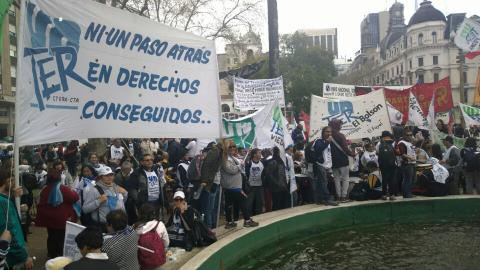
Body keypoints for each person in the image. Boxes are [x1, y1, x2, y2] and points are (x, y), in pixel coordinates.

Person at [36, 171, 80, 258]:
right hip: (61, 220)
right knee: (61, 238)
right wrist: (74, 191)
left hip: (49, 219)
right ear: (60, 178)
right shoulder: (63, 188)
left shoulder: (45, 189)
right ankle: (60, 255)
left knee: (51, 236)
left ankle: (51, 254)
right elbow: (74, 198)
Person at [220, 142, 259, 228]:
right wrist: (239, 166)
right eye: (231, 147)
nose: (233, 148)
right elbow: (231, 170)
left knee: (230, 204)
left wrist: (242, 161)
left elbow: (241, 163)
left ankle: (230, 222)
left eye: (234, 146)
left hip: (235, 185)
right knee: (243, 201)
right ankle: (247, 221)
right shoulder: (224, 159)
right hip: (232, 185)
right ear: (226, 148)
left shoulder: (232, 157)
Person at [0, 170, 33, 270]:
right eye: (11, 180)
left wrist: (14, 199)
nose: (15, 183)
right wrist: (24, 256)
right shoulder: (3, 203)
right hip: (10, 258)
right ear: (4, 182)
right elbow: (10, 232)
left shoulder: (5, 200)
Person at [82, 166, 128, 231]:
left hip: (120, 225)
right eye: (106, 175)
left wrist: (125, 194)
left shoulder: (116, 186)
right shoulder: (94, 190)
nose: (110, 177)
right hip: (104, 227)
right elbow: (85, 209)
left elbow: (122, 203)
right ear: (101, 177)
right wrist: (98, 201)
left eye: (111, 175)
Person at [128, 154, 165, 221]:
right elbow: (132, 189)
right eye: (147, 160)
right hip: (145, 203)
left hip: (156, 202)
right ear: (141, 162)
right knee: (145, 222)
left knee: (156, 221)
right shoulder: (136, 173)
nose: (150, 161)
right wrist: (139, 202)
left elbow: (160, 185)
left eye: (151, 160)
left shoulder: (156, 171)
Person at [328, 119, 356, 202]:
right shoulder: (340, 135)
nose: (341, 126)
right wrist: (353, 154)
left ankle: (338, 197)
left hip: (333, 161)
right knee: (345, 178)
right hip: (343, 160)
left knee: (336, 179)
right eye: (340, 125)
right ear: (336, 126)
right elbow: (345, 148)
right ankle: (344, 197)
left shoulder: (328, 136)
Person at [311, 126, 338, 206]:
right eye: (327, 132)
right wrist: (327, 142)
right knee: (323, 182)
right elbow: (318, 149)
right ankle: (327, 199)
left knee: (321, 183)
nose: (329, 133)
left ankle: (319, 199)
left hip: (327, 165)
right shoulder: (319, 141)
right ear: (323, 132)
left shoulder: (328, 141)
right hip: (320, 164)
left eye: (330, 132)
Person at [262, 146, 290, 211]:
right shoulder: (274, 161)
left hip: (281, 186)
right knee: (277, 204)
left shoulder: (280, 160)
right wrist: (277, 183)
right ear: (278, 151)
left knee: (280, 204)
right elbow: (269, 174)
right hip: (277, 187)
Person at [396, 129, 416, 198]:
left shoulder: (410, 143)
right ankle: (406, 194)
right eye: (408, 135)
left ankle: (409, 192)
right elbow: (402, 154)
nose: (410, 136)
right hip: (407, 163)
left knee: (412, 179)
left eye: (411, 135)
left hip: (412, 163)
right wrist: (410, 158)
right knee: (407, 179)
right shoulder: (402, 143)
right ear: (404, 135)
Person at [377, 131, 397, 201]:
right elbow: (396, 152)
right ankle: (392, 195)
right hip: (391, 164)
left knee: (385, 179)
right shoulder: (392, 143)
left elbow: (377, 153)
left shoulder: (379, 144)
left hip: (383, 164)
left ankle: (384, 195)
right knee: (391, 180)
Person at [245, 148, 265, 216]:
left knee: (258, 204)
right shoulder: (249, 163)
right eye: (259, 153)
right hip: (251, 187)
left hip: (259, 186)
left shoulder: (261, 163)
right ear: (254, 154)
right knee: (249, 204)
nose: (260, 154)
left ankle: (258, 216)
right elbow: (246, 174)